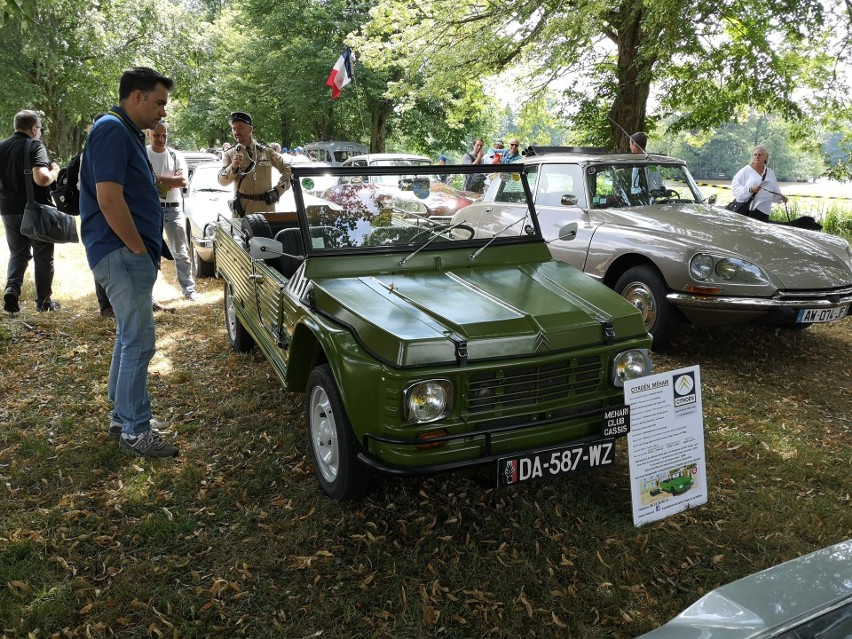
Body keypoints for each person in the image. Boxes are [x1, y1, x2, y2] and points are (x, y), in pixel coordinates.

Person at [79, 66, 179, 458]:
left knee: (128, 336)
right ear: (136, 97)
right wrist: (138, 247)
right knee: (140, 342)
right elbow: (108, 198)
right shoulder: (111, 129)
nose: (162, 112)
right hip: (122, 253)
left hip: (122, 253)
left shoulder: (121, 131)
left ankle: (123, 417)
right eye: (158, 102)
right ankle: (136, 431)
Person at [0, 110, 61, 313]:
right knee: (43, 256)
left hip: (8, 209)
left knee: (18, 253)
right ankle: (44, 302)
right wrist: (55, 171)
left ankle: (12, 289)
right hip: (35, 210)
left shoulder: (2, 147)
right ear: (34, 129)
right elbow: (41, 178)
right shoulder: (35, 145)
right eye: (40, 129)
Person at [147, 122, 197, 301]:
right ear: (148, 134)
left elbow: (183, 181)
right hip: (150, 210)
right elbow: (139, 181)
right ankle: (149, 294)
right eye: (157, 135)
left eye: (164, 135)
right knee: (150, 252)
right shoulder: (143, 154)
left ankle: (189, 290)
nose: (161, 139)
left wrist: (154, 179)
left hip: (173, 209)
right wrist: (169, 181)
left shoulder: (176, 155)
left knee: (181, 251)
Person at [217, 112, 292, 215]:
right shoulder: (230, 154)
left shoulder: (267, 152)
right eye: (233, 128)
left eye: (240, 127)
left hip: (266, 208)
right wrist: (233, 167)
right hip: (242, 211)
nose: (236, 131)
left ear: (250, 129)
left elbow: (288, 169)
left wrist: (278, 191)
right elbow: (222, 181)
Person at [731, 145, 788, 220]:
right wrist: (750, 189)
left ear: (766, 157)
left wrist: (781, 198)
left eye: (760, 155)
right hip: (747, 210)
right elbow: (735, 189)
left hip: (764, 211)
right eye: (755, 154)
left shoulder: (770, 173)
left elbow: (774, 191)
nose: (757, 156)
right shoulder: (745, 171)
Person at [629, 132, 663, 197]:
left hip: (639, 199)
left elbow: (635, 188)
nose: (630, 147)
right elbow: (659, 183)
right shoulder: (655, 162)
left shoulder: (636, 163)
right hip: (655, 199)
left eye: (630, 144)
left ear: (635, 146)